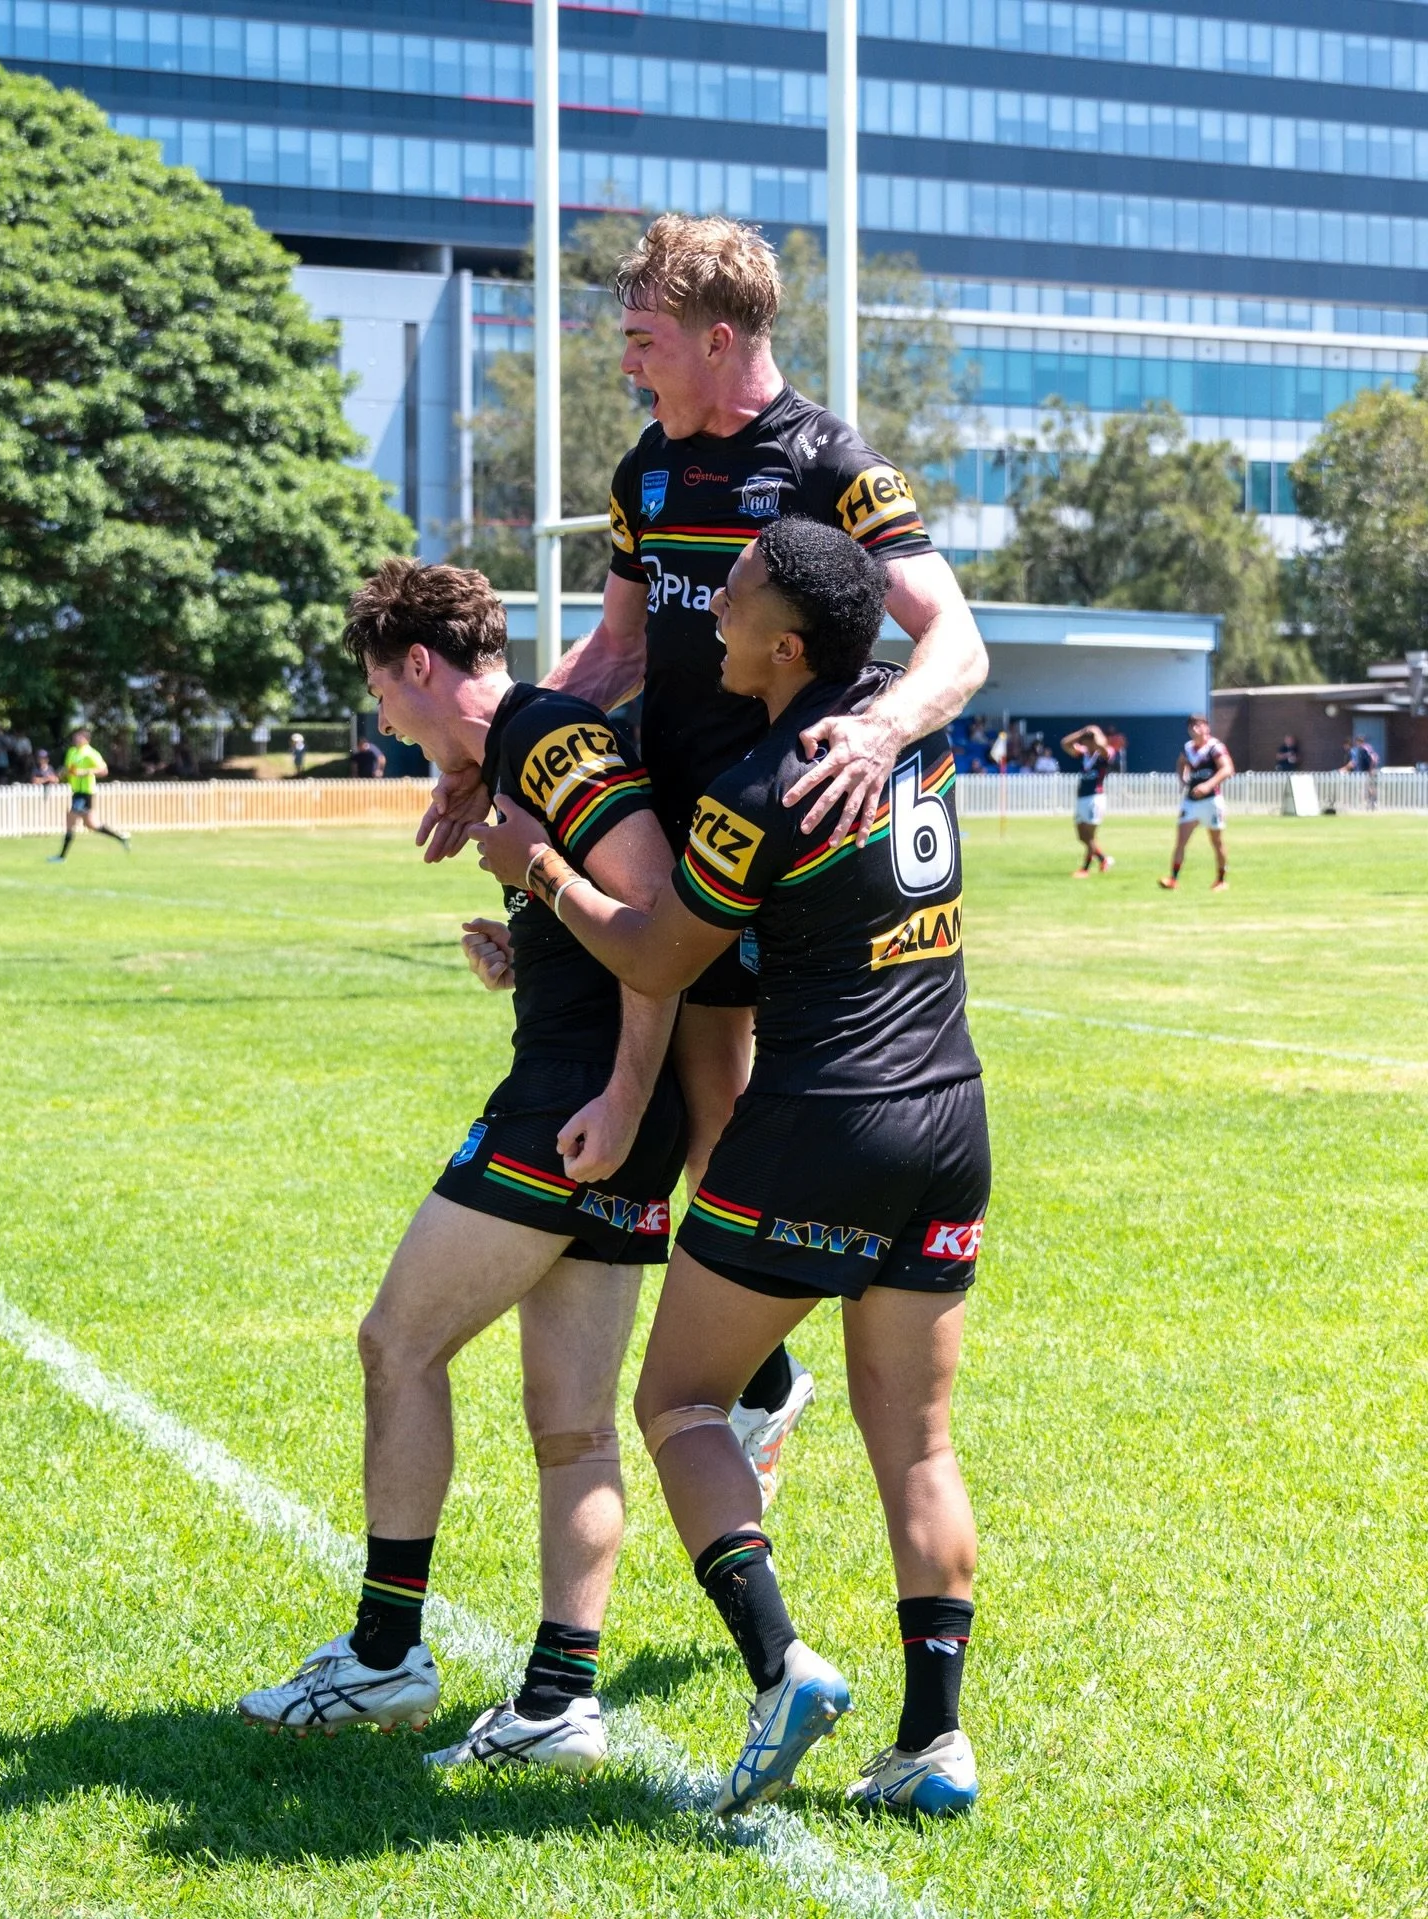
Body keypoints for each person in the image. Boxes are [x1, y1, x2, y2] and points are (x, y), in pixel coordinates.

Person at [418, 215, 988, 1505]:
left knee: (726, 1110)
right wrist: (495, 754)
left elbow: (956, 638)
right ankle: (763, 1373)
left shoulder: (832, 463)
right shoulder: (647, 470)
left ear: (719, 338)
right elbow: (614, 655)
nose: (629, 367)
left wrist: (882, 725)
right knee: (691, 1106)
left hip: (775, 848)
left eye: (644, 341)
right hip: (662, 831)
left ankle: (760, 1368)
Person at [472, 517, 989, 1820]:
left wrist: (532, 862)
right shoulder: (905, 721)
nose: (711, 614)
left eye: (736, 595)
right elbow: (950, 649)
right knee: (916, 1438)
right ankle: (934, 1738)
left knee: (682, 1401)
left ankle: (781, 1662)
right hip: (951, 1120)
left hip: (819, 1119)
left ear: (789, 642)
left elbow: (656, 955)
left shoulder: (766, 783)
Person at [239, 560, 687, 1775]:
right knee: (576, 1429)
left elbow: (655, 912)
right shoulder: (530, 751)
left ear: (419, 666)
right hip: (623, 1109)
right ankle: (559, 1701)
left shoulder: (545, 734)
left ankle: (385, 1652)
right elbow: (607, 925)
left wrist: (540, 888)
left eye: (380, 690)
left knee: (398, 1339)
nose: (382, 717)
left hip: (576, 1108)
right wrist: (533, 945)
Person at [1159, 715, 1233, 891]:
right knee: (1181, 841)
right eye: (1192, 726)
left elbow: (1228, 769)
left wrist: (1208, 785)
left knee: (1216, 841)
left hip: (1211, 801)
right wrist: (1182, 778)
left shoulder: (1215, 747)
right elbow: (1181, 762)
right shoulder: (1188, 748)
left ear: (1207, 727)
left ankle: (1221, 880)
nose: (1195, 729)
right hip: (1191, 802)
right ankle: (1173, 879)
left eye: (1199, 725)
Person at [47, 729, 130, 860]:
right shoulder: (72, 752)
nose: (75, 740)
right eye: (74, 737)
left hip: (86, 792)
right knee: (92, 824)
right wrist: (58, 777)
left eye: (78, 737)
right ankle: (121, 837)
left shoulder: (90, 753)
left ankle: (61, 857)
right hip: (76, 791)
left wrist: (85, 772)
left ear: (86, 739)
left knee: (70, 819)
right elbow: (69, 769)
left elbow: (104, 770)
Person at [1059, 724, 1118, 877]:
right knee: (1082, 836)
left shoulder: (1104, 754)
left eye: (1088, 741)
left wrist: (1096, 733)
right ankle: (1104, 859)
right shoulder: (1083, 754)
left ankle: (1085, 869)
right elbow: (1065, 743)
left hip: (1094, 798)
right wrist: (1081, 733)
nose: (1085, 743)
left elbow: (1104, 749)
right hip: (1081, 798)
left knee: (1090, 836)